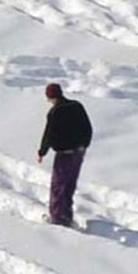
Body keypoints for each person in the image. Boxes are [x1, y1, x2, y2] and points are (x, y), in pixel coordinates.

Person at [37, 83, 93, 227]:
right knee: (69, 186)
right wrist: (84, 145)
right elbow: (88, 128)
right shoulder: (77, 105)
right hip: (78, 153)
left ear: (50, 97)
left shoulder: (55, 112)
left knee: (58, 187)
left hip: (64, 154)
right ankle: (67, 216)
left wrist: (42, 152)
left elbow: (48, 135)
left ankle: (58, 220)